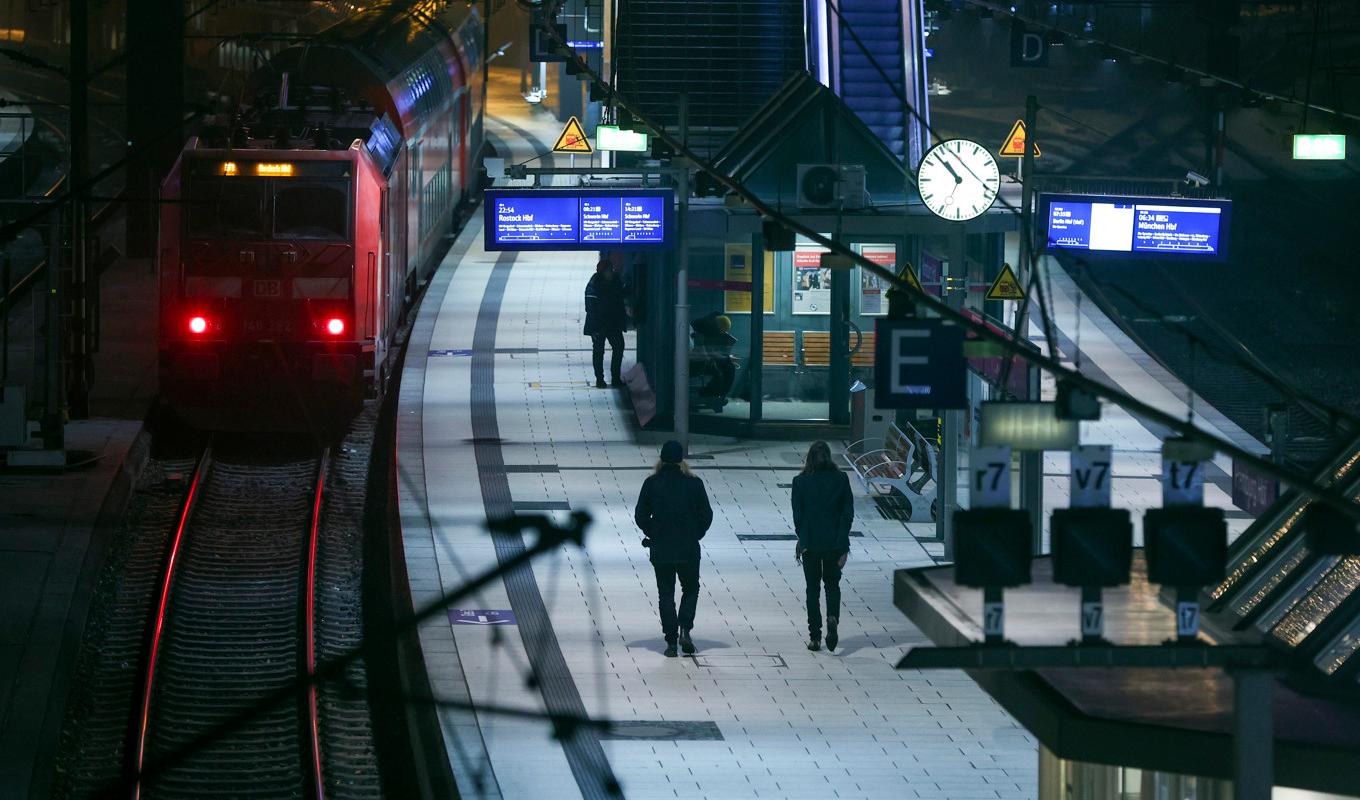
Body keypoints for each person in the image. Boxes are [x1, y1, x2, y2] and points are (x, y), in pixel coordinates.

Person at [634, 440, 713, 657]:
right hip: (688, 549)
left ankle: (670, 642)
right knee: (691, 588)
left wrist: (653, 532)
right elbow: (707, 515)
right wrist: (696, 533)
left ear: (661, 459)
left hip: (662, 549)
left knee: (665, 593)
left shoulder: (651, 483)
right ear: (681, 460)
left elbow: (640, 515)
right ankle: (685, 629)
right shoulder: (694, 484)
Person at [791, 440, 853, 652]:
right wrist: (843, 544)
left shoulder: (800, 482)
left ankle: (815, 637)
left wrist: (804, 541)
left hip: (812, 546)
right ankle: (832, 618)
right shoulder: (841, 479)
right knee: (832, 586)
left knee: (812, 590)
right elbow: (847, 514)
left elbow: (798, 517)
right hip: (834, 544)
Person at [583, 259, 628, 388]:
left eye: (611, 270)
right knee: (598, 350)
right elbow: (590, 307)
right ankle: (600, 379)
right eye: (608, 271)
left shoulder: (616, 281)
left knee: (619, 347)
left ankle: (615, 377)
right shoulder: (593, 284)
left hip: (613, 322)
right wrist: (595, 327)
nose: (610, 273)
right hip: (598, 324)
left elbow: (621, 297)